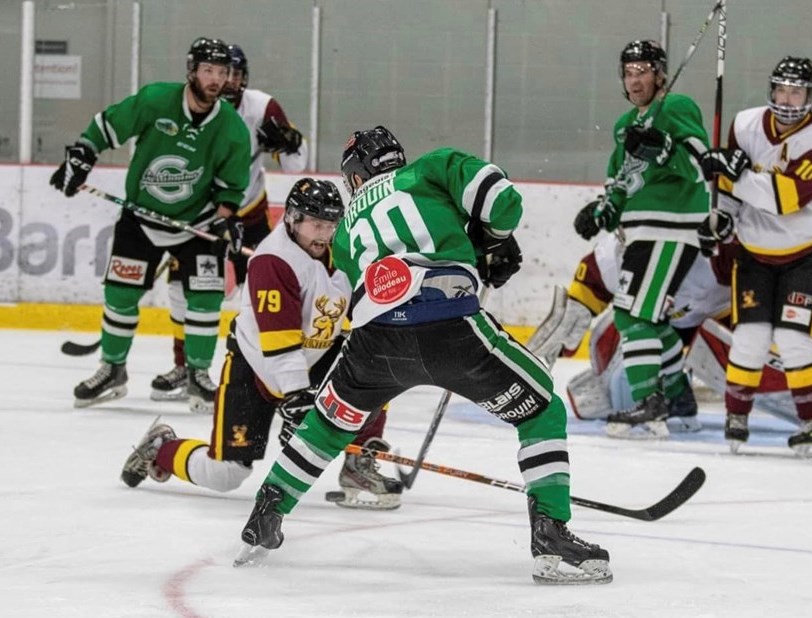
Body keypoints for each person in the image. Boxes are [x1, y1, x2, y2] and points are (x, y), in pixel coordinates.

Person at [233, 127, 612, 585]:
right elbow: (503, 202)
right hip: (450, 327)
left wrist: (471, 248)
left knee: (327, 424)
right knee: (542, 409)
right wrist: (490, 239)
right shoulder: (432, 168)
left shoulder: (348, 224)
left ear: (355, 176)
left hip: (376, 342)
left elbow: (373, 278)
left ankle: (266, 512)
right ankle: (551, 529)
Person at [118, 179, 402, 510]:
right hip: (256, 368)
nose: (324, 233)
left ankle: (359, 462)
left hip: (318, 353)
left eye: (330, 224)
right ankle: (161, 449)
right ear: (293, 219)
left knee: (378, 362)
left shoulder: (340, 251)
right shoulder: (274, 261)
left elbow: (367, 301)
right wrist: (297, 398)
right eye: (316, 224)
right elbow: (279, 347)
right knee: (225, 474)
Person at [51, 37, 251, 409]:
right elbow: (106, 127)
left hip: (196, 222)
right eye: (208, 70)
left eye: (222, 73)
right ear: (192, 70)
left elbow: (231, 189)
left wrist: (225, 220)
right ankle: (112, 370)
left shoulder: (232, 127)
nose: (216, 79)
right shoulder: (156, 100)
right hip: (141, 218)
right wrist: (81, 157)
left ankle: (197, 373)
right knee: (121, 296)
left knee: (206, 297)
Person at [696, 56, 812, 457]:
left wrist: (730, 173)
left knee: (795, 340)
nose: (789, 99)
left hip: (805, 255)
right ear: (771, 90)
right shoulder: (745, 124)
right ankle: (736, 418)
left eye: (797, 91)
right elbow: (728, 190)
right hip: (753, 254)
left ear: (810, 95)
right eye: (782, 89)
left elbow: (783, 199)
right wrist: (722, 218)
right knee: (750, 338)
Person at [151, 43, 309, 410]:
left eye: (236, 74)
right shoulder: (191, 106)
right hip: (201, 215)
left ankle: (260, 370)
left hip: (249, 213)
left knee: (259, 295)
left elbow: (294, 168)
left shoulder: (262, 107)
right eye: (224, 73)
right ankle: (185, 367)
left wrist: (290, 142)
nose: (230, 80)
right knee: (180, 289)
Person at [572, 40, 711, 440]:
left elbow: (702, 167)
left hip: (669, 228)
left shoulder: (678, 107)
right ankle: (680, 403)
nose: (635, 80)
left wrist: (663, 150)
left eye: (643, 71)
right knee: (650, 319)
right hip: (639, 232)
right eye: (629, 73)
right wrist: (602, 210)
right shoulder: (624, 126)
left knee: (632, 315)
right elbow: (621, 184)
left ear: (660, 74)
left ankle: (650, 406)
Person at [528, 232, 728, 432]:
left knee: (747, 364)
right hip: (658, 322)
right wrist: (573, 313)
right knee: (622, 368)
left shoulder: (716, 257)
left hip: (713, 320)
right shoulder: (610, 257)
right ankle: (673, 397)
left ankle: (660, 399)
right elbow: (585, 294)